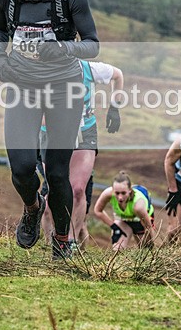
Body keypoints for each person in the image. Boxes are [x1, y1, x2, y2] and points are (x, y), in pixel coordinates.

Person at [0, 0, 99, 260]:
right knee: (22, 168)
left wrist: (64, 50)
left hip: (64, 88)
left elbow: (92, 45)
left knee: (56, 171)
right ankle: (32, 207)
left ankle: (63, 240)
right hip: (22, 86)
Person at [40, 60, 124, 248]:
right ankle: (53, 242)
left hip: (84, 130)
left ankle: (70, 242)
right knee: (54, 189)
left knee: (78, 189)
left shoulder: (89, 68)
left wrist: (115, 107)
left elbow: (118, 75)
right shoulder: (45, 66)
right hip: (52, 132)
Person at [93, 172, 155, 250]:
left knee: (145, 249)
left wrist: (152, 243)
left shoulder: (138, 205)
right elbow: (98, 210)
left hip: (140, 220)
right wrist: (113, 226)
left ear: (129, 190)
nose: (120, 197)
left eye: (123, 193)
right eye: (117, 193)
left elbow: (148, 227)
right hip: (123, 220)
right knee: (117, 249)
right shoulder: (107, 194)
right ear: (112, 190)